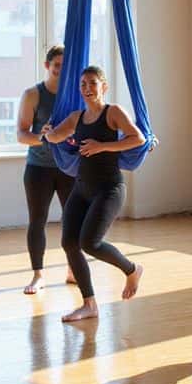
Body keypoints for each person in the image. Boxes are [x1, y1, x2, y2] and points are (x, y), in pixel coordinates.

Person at [43, 65, 146, 322]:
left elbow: (138, 139)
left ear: (104, 86)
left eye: (92, 83)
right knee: (69, 243)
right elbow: (56, 136)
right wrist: (48, 133)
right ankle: (89, 304)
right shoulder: (77, 118)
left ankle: (132, 269)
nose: (87, 88)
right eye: (83, 85)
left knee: (90, 243)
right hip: (82, 188)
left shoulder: (113, 113)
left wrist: (103, 146)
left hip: (109, 189)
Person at [16, 45, 76, 294]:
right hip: (38, 168)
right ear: (47, 66)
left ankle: (74, 269)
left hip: (68, 169)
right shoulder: (32, 94)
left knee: (73, 221)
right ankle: (38, 275)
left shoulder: (76, 94)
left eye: (65, 65)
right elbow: (21, 134)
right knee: (37, 221)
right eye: (56, 65)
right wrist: (42, 138)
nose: (60, 70)